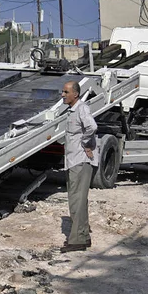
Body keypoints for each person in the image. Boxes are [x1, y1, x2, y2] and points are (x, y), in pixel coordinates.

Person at [61, 80, 98, 253]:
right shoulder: (71, 111)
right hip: (73, 160)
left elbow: (92, 126)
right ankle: (83, 236)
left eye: (66, 92)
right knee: (76, 200)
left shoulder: (82, 108)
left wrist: (85, 143)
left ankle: (77, 240)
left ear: (75, 94)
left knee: (77, 200)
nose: (63, 95)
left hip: (80, 161)